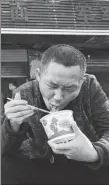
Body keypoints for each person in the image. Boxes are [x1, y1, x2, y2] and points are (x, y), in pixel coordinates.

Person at [1, 44, 109, 184]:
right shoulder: (23, 94)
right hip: (38, 164)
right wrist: (12, 125)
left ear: (81, 82)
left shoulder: (90, 87)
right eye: (52, 86)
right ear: (38, 75)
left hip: (84, 165)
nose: (58, 97)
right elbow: (5, 149)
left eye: (70, 88)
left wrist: (94, 153)